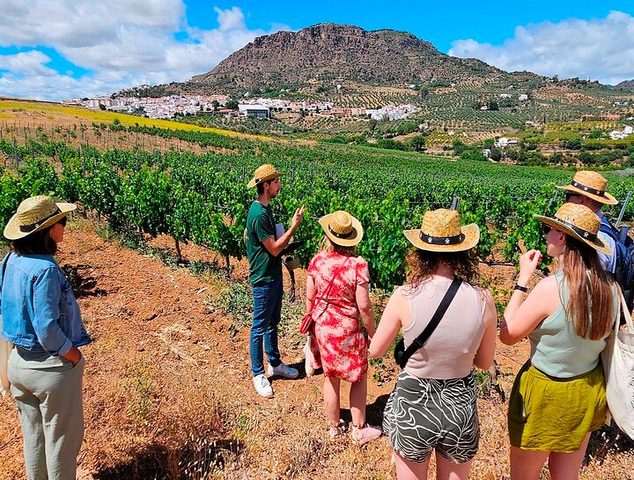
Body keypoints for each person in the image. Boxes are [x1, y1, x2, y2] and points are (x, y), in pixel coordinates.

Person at [370, 208, 497, 480]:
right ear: (463, 251)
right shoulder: (483, 299)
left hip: (413, 405)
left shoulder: (404, 295)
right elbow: (484, 363)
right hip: (459, 406)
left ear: (420, 252)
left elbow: (376, 350)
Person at [500, 203, 618, 480]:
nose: (547, 235)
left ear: (563, 237)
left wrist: (522, 279)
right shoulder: (610, 288)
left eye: (550, 229)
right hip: (586, 390)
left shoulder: (550, 288)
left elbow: (508, 335)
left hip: (545, 394)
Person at [0, 195, 91, 480]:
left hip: (18, 364)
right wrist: (74, 356)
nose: (65, 227)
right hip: (49, 368)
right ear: (49, 230)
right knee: (62, 445)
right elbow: (48, 330)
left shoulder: (10, 259)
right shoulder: (46, 270)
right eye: (61, 222)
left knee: (34, 440)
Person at [305, 210, 381, 444]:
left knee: (331, 376)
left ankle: (334, 428)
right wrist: (372, 334)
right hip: (348, 330)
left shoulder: (317, 261)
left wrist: (311, 323)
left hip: (324, 327)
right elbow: (365, 307)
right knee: (358, 376)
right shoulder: (358, 265)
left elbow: (309, 298)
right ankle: (359, 429)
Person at [245, 163, 304, 398]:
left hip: (272, 274)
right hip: (263, 278)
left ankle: (275, 364)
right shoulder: (259, 214)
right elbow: (273, 248)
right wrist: (293, 227)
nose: (280, 185)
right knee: (259, 326)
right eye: (276, 182)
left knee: (272, 322)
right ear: (266, 185)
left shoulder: (264, 210)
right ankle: (258, 373)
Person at [558, 170, 618, 273]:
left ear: (582, 200)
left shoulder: (594, 238)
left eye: (568, 196)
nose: (564, 201)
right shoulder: (604, 227)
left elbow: (582, 284)